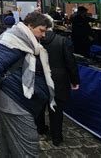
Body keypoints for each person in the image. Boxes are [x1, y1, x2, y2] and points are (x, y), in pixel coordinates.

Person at [0, 12, 55, 157]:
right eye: (41, 30)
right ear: (30, 26)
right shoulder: (13, 39)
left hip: (17, 100)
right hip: (14, 101)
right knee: (27, 148)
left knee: (7, 142)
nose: (43, 35)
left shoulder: (27, 40)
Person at [36, 15, 80, 146]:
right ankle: (57, 137)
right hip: (58, 79)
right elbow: (70, 63)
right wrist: (75, 80)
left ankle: (40, 128)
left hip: (40, 77)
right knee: (56, 108)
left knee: (40, 105)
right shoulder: (62, 40)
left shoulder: (35, 40)